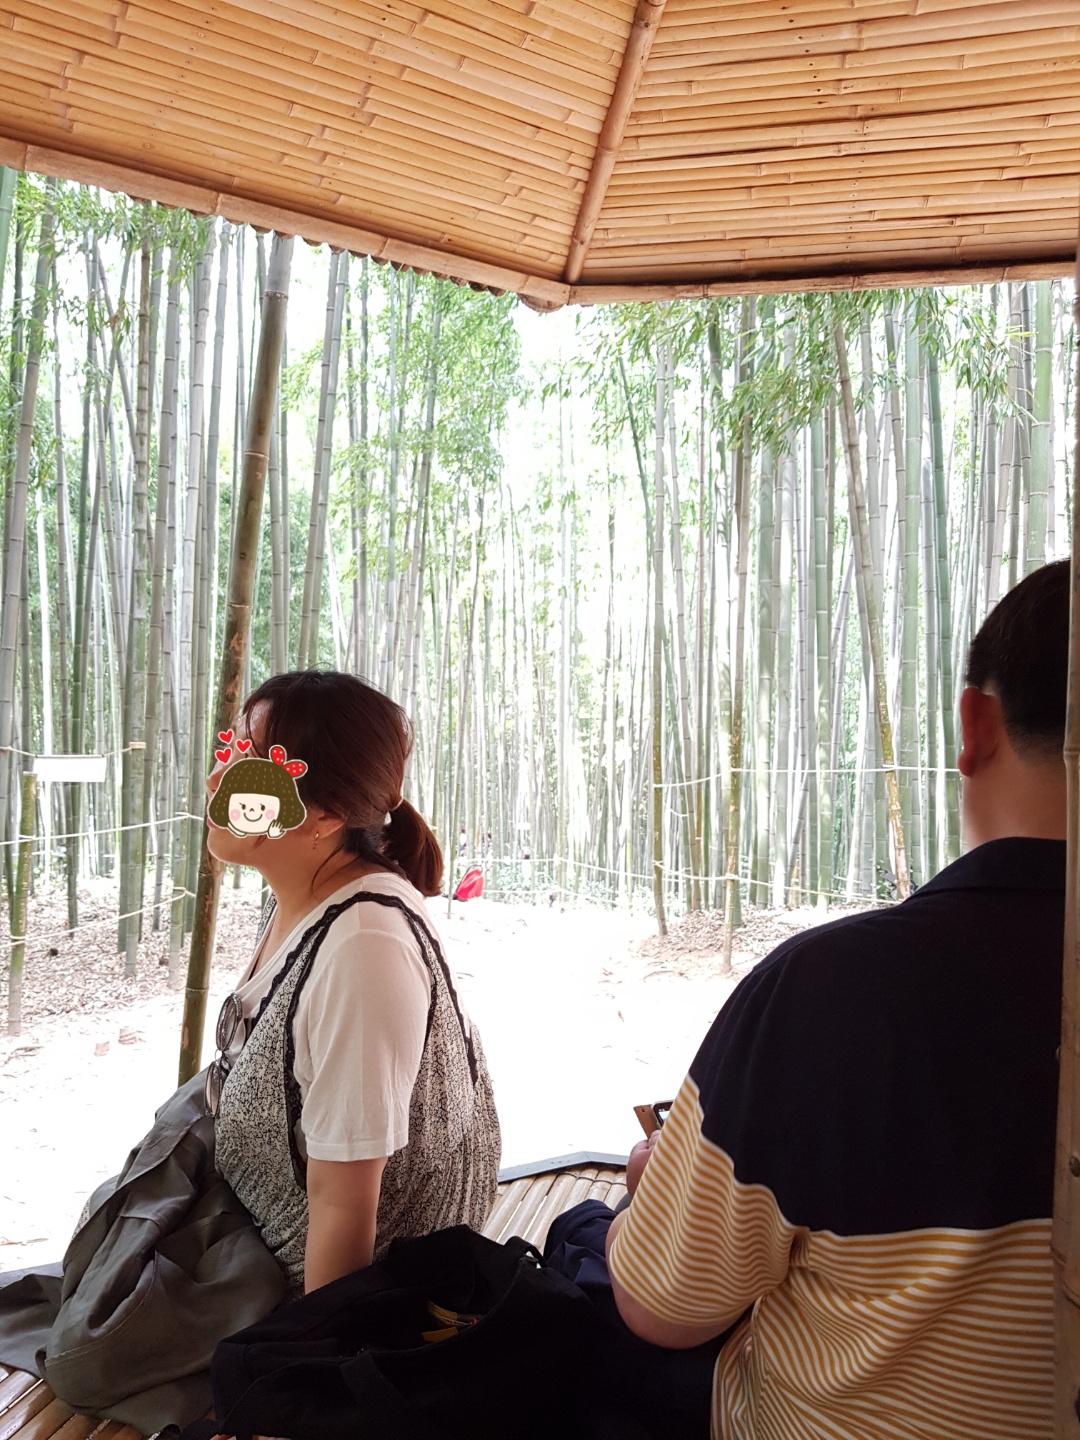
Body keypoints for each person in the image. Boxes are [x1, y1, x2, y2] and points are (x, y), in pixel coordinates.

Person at [560, 560, 1068, 1439]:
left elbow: (661, 1311)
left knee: (582, 1245)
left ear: (975, 725)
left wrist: (649, 1193)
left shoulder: (832, 993)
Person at [205, 669, 501, 1296]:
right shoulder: (300, 894)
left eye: (249, 769)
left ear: (326, 815)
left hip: (339, 1288)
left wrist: (306, 1346)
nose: (214, 784)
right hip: (252, 1237)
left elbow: (344, 1208)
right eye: (229, 753)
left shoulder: (364, 946)